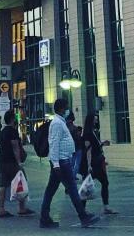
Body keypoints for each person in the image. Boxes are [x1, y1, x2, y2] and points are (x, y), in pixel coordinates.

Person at [39, 98, 100, 229]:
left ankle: (44, 218)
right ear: (61, 109)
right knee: (72, 189)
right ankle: (83, 217)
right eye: (66, 107)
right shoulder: (57, 123)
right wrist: (55, 164)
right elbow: (54, 144)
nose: (68, 110)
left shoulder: (60, 122)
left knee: (51, 190)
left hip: (61, 160)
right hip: (61, 161)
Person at [0, 109, 34, 218]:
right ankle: (21, 207)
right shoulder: (12, 131)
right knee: (22, 181)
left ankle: (1, 209)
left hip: (2, 161)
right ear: (12, 119)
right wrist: (19, 162)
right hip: (12, 162)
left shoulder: (3, 131)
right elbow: (15, 147)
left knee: (2, 185)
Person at [82, 112, 117, 215]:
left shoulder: (93, 132)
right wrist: (88, 165)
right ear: (91, 120)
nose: (96, 120)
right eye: (95, 118)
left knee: (105, 182)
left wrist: (102, 144)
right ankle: (82, 209)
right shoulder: (87, 133)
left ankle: (106, 207)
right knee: (86, 185)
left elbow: (95, 146)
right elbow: (88, 149)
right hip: (93, 164)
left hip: (98, 161)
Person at [66, 112, 83, 178]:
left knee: (71, 163)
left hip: (69, 149)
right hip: (77, 148)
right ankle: (73, 176)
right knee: (77, 164)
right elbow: (78, 139)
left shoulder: (65, 128)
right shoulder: (74, 128)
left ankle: (71, 176)